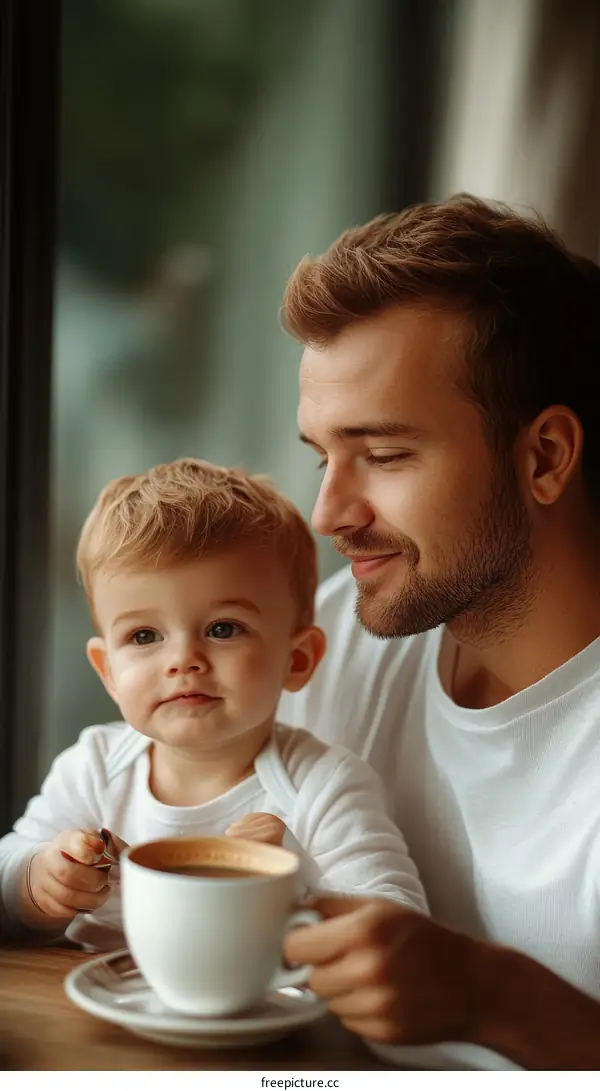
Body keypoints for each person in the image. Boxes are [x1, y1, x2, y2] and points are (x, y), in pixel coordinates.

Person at [278, 194, 600, 1071]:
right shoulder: (330, 638)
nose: (327, 513)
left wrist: (494, 998)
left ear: (544, 457)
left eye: (382, 455)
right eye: (322, 455)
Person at [0, 458, 426, 950]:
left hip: (263, 1023)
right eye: (144, 635)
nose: (183, 660)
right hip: (93, 1017)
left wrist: (291, 881)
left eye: (223, 629)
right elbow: (9, 876)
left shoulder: (325, 786)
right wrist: (38, 882)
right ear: (108, 672)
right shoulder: (94, 769)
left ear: (298, 658)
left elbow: (402, 927)